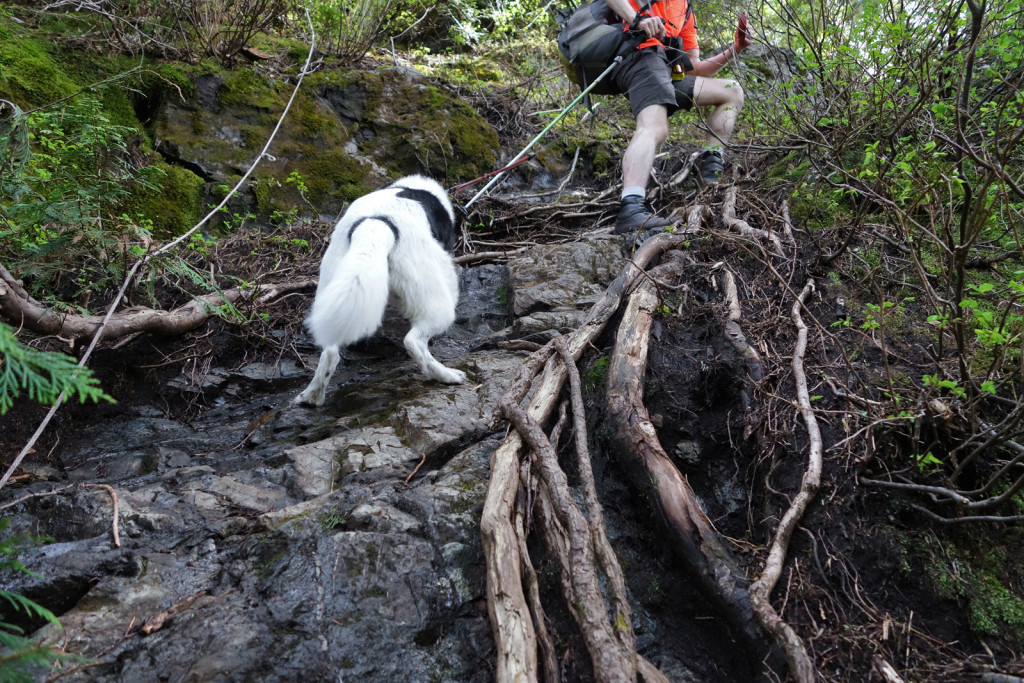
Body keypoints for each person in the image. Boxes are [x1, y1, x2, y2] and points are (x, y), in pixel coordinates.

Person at [601, 0, 754, 233]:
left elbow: (694, 67)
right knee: (654, 126)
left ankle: (710, 163)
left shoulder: (684, 8)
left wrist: (736, 48)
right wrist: (638, 19)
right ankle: (631, 209)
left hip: (667, 70)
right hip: (638, 55)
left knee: (731, 90)